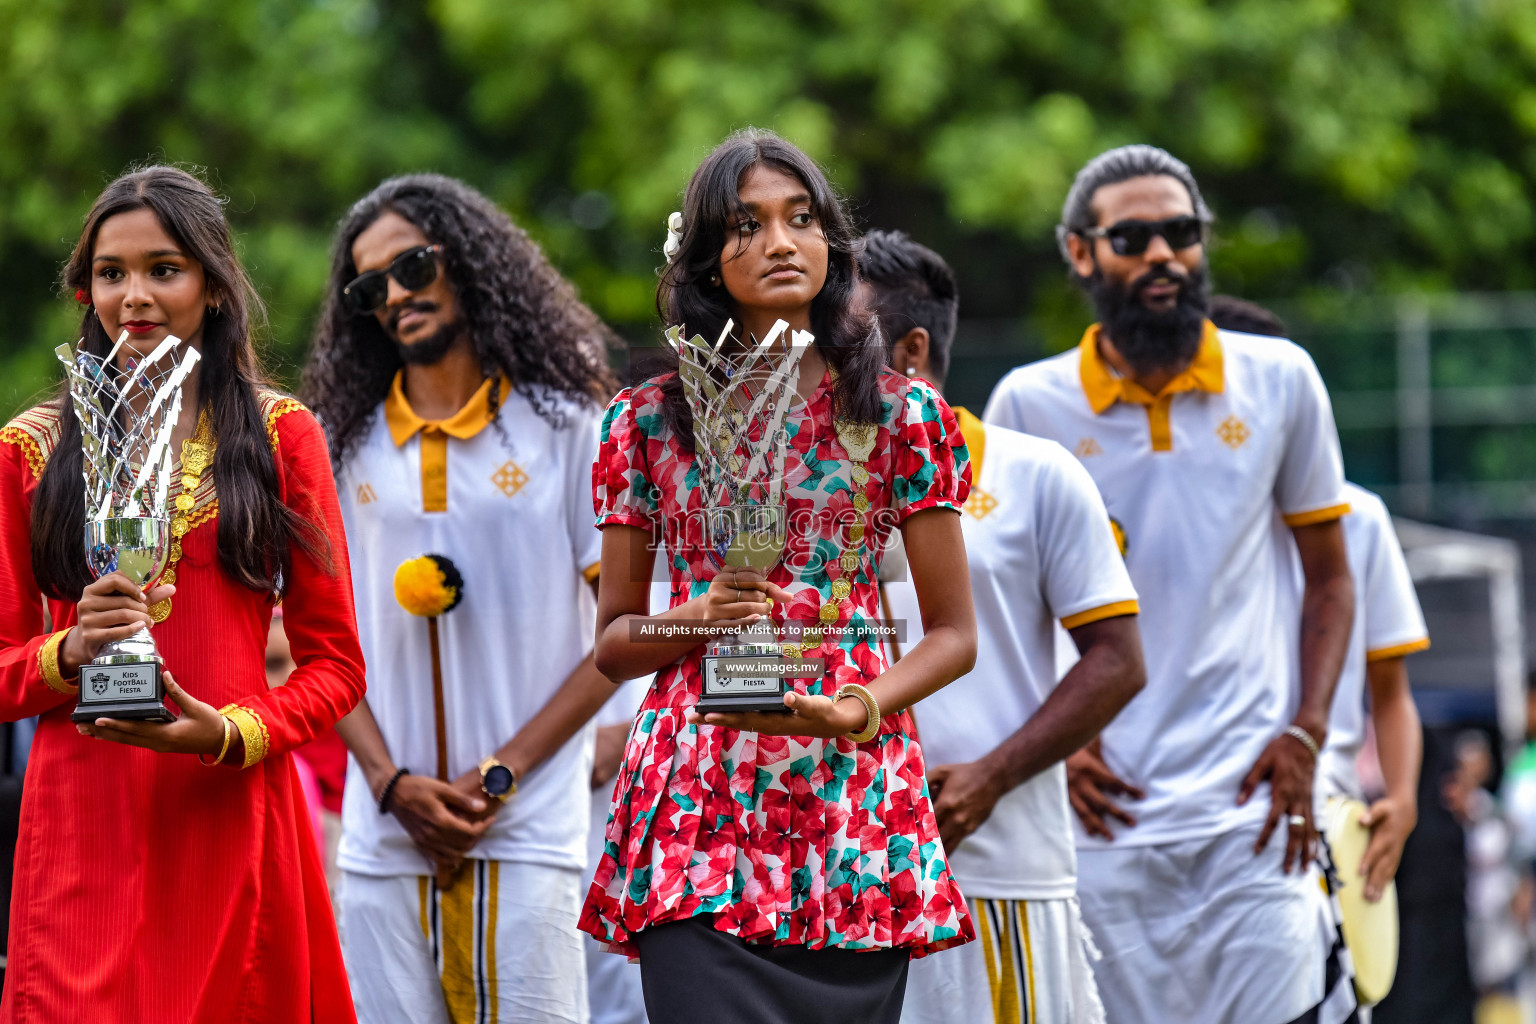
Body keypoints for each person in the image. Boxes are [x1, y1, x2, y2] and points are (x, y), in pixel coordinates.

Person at [579, 129, 978, 1024]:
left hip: (851, 798)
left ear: (831, 240)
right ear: (705, 260)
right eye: (746, 225)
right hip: (697, 802)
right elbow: (613, 645)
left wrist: (860, 707)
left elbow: (955, 635)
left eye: (801, 219)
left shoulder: (902, 414)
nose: (780, 242)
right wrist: (701, 616)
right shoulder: (645, 423)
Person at [985, 144, 1358, 1023]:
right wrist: (1063, 743)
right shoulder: (1027, 407)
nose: (1162, 255)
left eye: (1181, 233)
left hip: (1256, 821)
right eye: (1134, 237)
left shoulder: (1282, 381)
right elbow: (1008, 615)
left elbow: (1333, 581)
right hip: (1100, 829)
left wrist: (1308, 732)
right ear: (1080, 252)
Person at [0, 165, 365, 1021]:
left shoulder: (281, 436)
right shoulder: (25, 451)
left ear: (212, 283)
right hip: (80, 831)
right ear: (84, 288)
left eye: (163, 269)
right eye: (110, 272)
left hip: (229, 811)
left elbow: (336, 666)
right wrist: (67, 651)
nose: (135, 295)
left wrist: (232, 732)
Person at [302, 174, 619, 1024]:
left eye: (412, 267)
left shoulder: (566, 425)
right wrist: (388, 780)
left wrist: (502, 774)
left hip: (527, 829)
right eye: (371, 287)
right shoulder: (341, 448)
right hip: (384, 838)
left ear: (468, 262)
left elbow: (616, 640)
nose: (396, 296)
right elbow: (314, 644)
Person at [857, 229, 1146, 1024]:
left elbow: (1118, 662)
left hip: (1000, 878)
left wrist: (991, 775)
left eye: (841, 333)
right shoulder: (799, 489)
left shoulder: (1035, 473)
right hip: (839, 883)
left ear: (912, 350)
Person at [1208, 301, 1428, 917]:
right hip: (1180, 806)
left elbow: (1390, 688)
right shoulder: (1166, 508)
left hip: (1325, 810)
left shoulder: (1359, 519)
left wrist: (1404, 799)